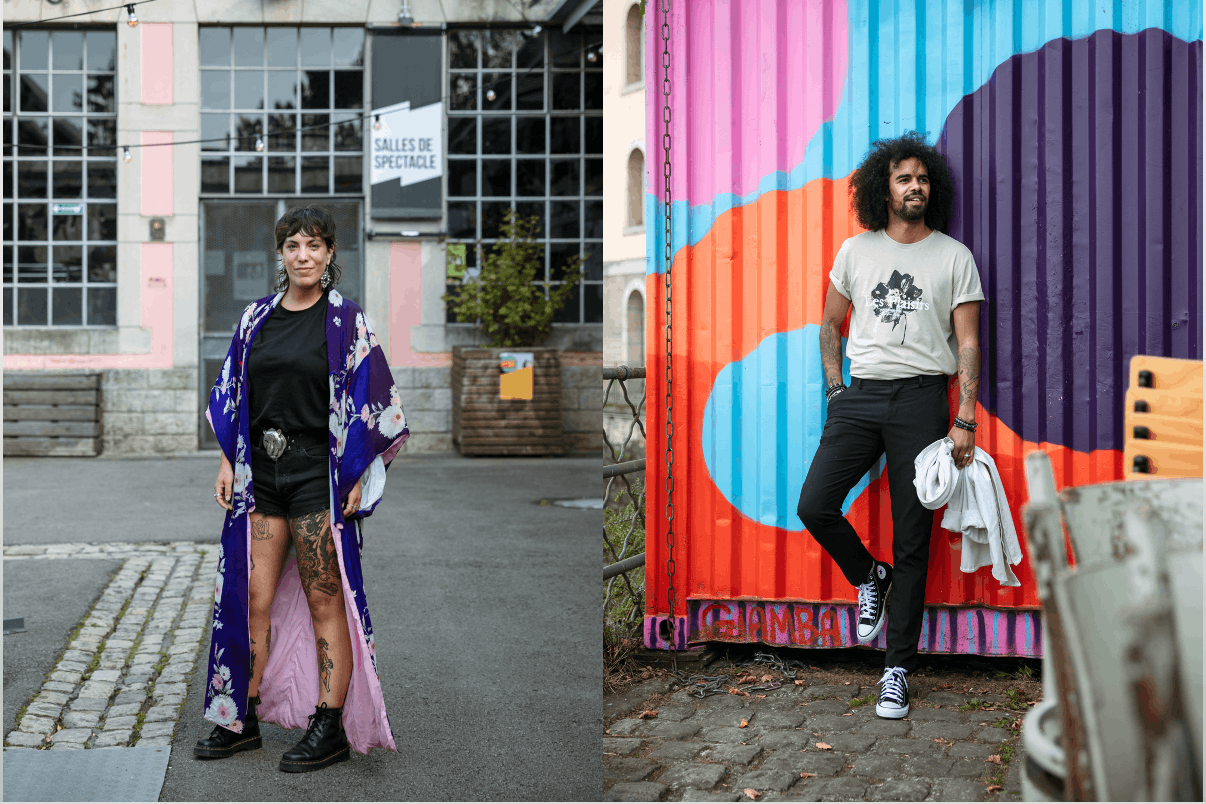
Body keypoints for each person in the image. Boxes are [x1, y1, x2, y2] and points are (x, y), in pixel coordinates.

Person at [194, 206, 409, 771]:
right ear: (281, 254)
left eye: (315, 245)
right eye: (293, 246)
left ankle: (328, 723)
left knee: (323, 597)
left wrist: (360, 471)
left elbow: (374, 403)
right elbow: (232, 394)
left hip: (317, 476)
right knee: (251, 598)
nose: (304, 255)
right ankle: (237, 715)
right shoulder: (255, 320)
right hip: (260, 476)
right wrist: (225, 461)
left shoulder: (346, 322)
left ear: (330, 254)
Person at [796, 131, 984, 719]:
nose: (915, 187)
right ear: (884, 188)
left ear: (934, 189)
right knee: (815, 504)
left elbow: (970, 342)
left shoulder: (954, 256)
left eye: (923, 179)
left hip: (923, 401)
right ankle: (865, 574)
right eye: (904, 179)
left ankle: (896, 669)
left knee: (912, 539)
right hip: (860, 396)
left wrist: (964, 418)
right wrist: (834, 388)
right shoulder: (856, 251)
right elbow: (830, 324)